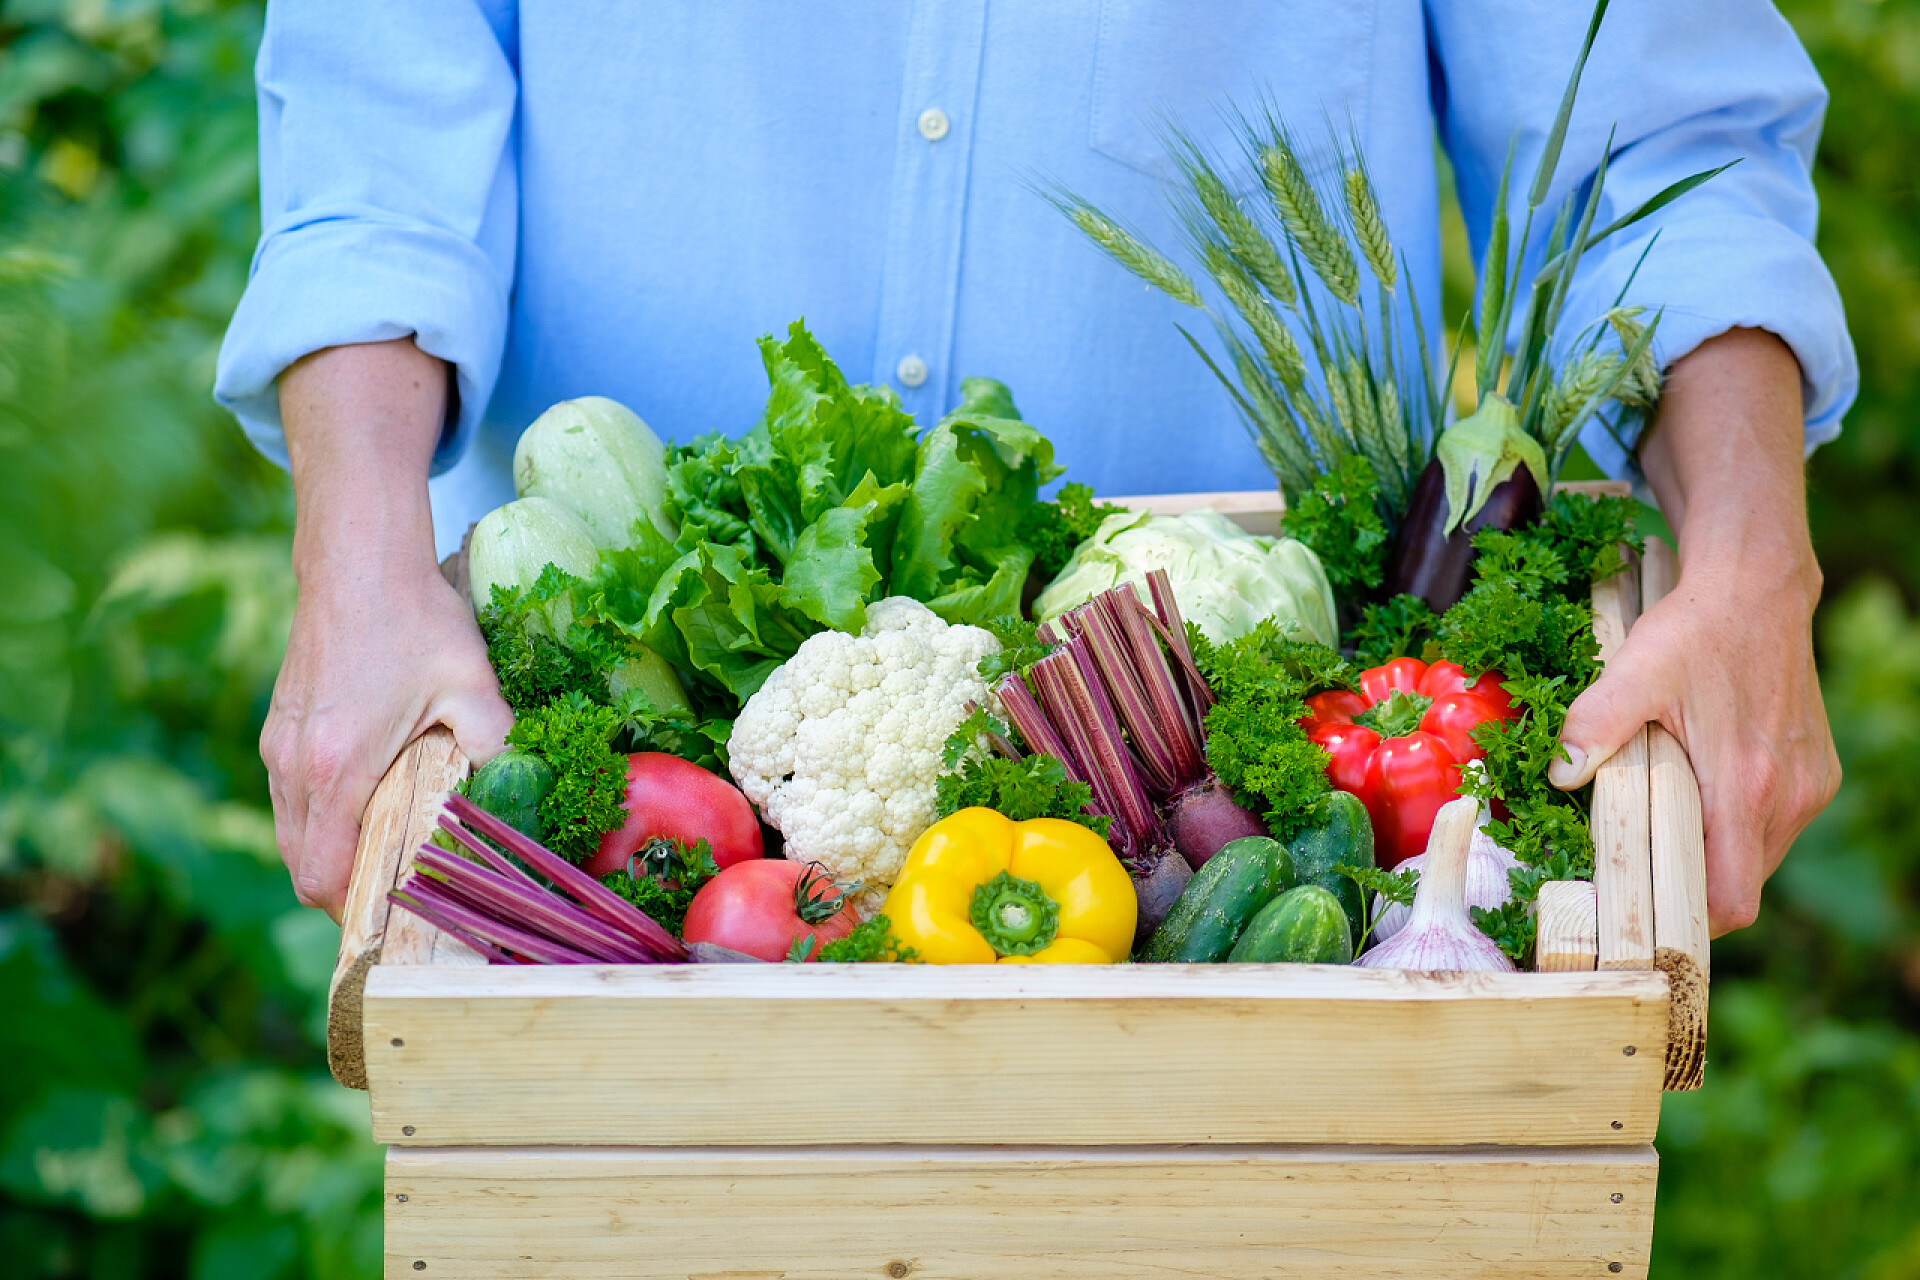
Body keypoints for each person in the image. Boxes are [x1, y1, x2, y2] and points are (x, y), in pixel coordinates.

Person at [218, 3, 1854, 937]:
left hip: (1242, 756)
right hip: (617, 787)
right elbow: (380, 129)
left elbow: (1660, 143)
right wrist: (356, 559)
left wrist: (1754, 558)